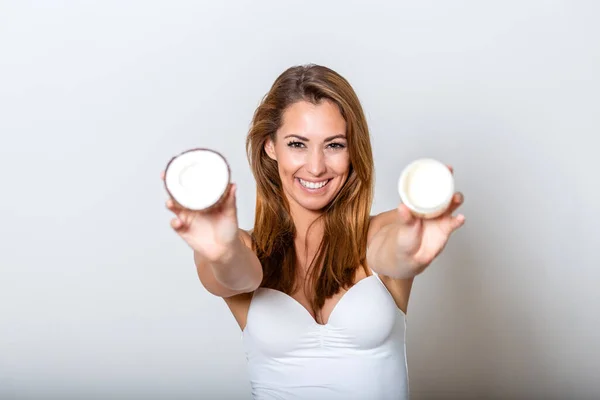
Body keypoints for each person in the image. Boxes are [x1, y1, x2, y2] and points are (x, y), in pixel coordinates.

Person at [163, 64, 465, 399]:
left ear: (353, 151)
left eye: (334, 145)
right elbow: (235, 275)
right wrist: (222, 254)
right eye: (297, 144)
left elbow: (396, 254)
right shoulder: (238, 249)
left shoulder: (382, 230)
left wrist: (411, 252)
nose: (317, 166)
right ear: (270, 147)